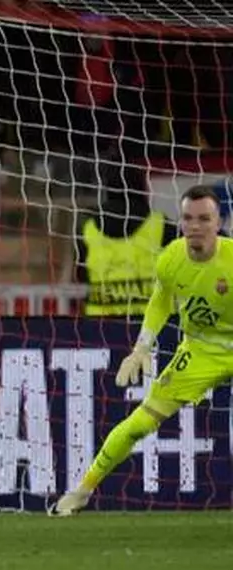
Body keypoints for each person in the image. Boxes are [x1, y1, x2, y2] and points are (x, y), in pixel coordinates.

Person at [52, 185, 233, 516]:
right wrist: (141, 348)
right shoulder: (171, 257)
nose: (195, 226)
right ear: (180, 222)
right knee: (138, 424)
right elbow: (161, 299)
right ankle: (82, 491)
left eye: (204, 218)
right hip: (201, 351)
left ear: (218, 221)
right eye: (189, 218)